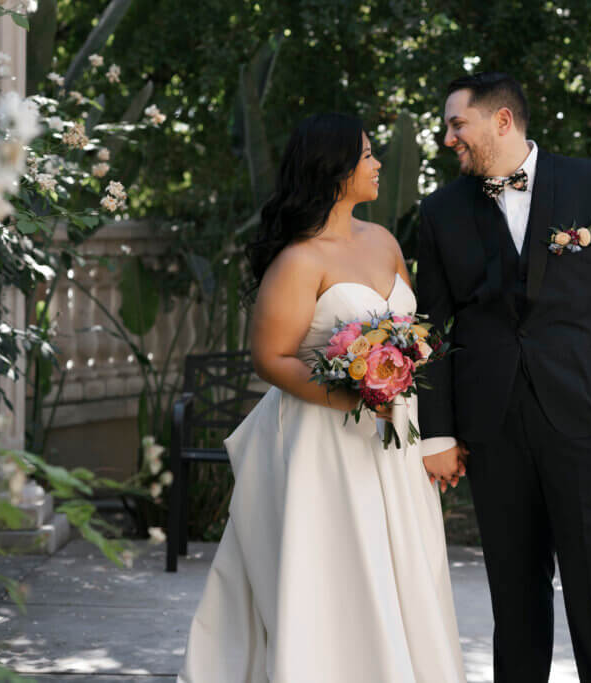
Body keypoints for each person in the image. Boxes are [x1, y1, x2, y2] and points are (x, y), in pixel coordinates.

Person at [178, 112, 466, 683]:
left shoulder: (382, 240)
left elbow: (416, 333)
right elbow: (273, 357)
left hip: (393, 440)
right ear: (334, 171)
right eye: (366, 155)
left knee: (405, 563)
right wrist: (351, 396)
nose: (378, 163)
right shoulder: (298, 260)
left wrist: (411, 392)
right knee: (338, 569)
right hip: (325, 445)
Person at [417, 72, 591, 683]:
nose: (448, 137)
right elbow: (427, 330)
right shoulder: (441, 210)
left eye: (458, 124)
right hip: (494, 430)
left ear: (501, 121)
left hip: (590, 418)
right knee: (516, 601)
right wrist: (439, 433)